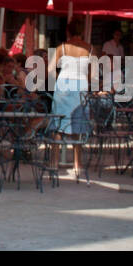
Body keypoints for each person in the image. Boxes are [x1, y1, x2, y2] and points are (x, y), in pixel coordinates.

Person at [49, 21, 93, 177]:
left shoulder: (62, 47)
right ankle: (77, 164)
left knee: (58, 126)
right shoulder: (89, 48)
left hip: (63, 85)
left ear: (68, 31)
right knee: (77, 126)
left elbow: (50, 69)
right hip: (81, 86)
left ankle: (54, 163)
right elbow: (92, 75)